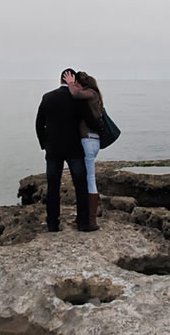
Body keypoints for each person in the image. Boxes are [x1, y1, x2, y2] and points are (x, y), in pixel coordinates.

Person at [35, 68, 100, 232]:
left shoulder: (47, 97)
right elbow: (90, 121)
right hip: (73, 147)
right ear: (73, 81)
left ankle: (52, 224)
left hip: (53, 148)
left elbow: (39, 124)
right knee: (80, 185)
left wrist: (45, 144)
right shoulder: (77, 99)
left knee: (53, 186)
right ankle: (84, 223)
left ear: (60, 80)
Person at [64, 70, 104, 228]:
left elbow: (74, 94)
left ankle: (91, 220)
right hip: (93, 140)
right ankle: (87, 218)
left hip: (88, 141)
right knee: (89, 178)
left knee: (90, 180)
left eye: (77, 82)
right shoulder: (96, 95)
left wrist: (70, 82)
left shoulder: (90, 93)